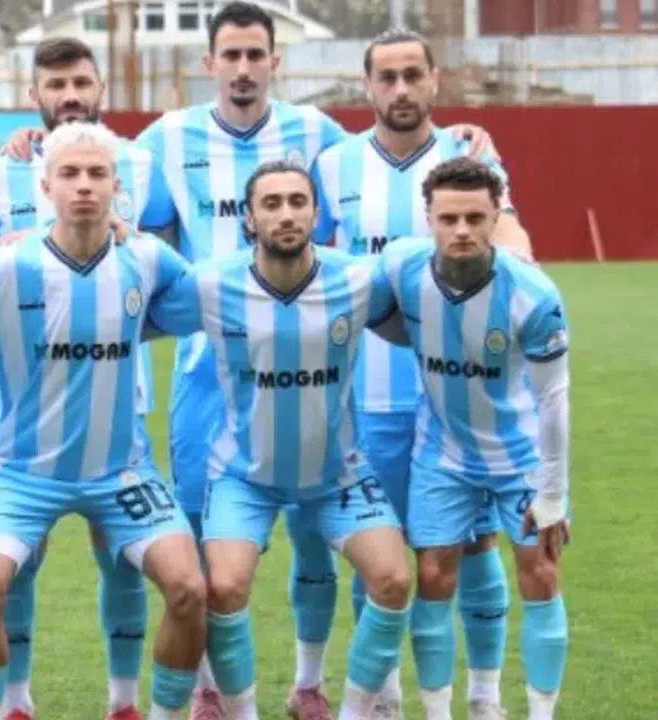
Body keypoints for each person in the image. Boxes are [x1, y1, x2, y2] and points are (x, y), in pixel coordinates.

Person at [125, 5, 494, 716]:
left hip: (314, 363)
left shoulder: (319, 136)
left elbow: (393, 166)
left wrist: (464, 139)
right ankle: (207, 691)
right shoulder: (165, 137)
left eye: (254, 54)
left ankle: (312, 684)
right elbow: (93, 171)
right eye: (230, 55)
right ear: (209, 63)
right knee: (205, 556)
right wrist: (29, 141)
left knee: (325, 544)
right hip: (210, 367)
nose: (242, 68)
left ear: (275, 61)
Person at [309, 29, 535, 720]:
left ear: (435, 80)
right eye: (388, 77)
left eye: (413, 74)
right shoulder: (335, 164)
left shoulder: (470, 155)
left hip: (462, 399)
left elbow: (511, 234)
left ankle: (484, 697)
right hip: (370, 397)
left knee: (473, 548)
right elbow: (311, 265)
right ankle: (381, 697)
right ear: (367, 86)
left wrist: (525, 274)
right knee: (376, 551)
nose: (401, 89)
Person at [0, 35, 173, 720]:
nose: (69, 95)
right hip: (29, 400)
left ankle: (123, 701)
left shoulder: (142, 164)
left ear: (100, 86)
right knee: (20, 557)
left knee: (121, 555)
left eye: (80, 82)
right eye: (55, 85)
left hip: (119, 397)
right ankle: (16, 701)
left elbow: (166, 264)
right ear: (34, 94)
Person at [148, 160, 413, 720]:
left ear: (316, 214)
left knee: (393, 581)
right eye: (271, 204)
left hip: (337, 473)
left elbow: (421, 297)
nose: (286, 214)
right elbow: (135, 312)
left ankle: (355, 712)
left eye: (298, 202)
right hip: (245, 475)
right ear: (249, 218)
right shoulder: (212, 284)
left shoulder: (359, 281)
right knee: (224, 589)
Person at [379, 157, 570, 720]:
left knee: (541, 573)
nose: (461, 230)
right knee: (433, 575)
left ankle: (540, 714)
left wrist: (552, 493)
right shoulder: (402, 266)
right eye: (449, 218)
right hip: (443, 453)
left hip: (521, 458)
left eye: (474, 218)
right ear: (429, 219)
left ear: (494, 219)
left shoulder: (533, 294)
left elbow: (554, 399)